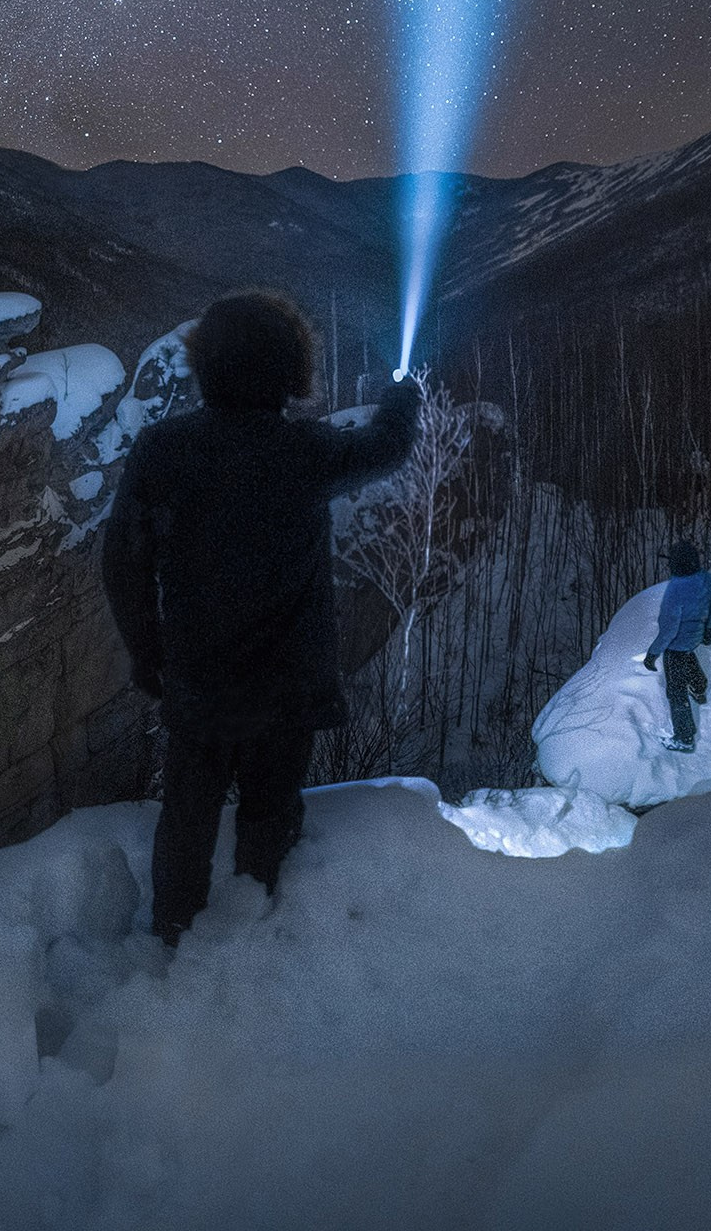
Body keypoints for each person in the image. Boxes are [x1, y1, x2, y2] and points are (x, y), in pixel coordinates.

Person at [101, 288, 422, 945]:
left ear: (207, 367)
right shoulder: (305, 450)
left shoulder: (164, 450)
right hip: (287, 687)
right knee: (269, 815)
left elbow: (123, 564)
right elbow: (385, 448)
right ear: (288, 373)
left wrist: (146, 652)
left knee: (187, 815)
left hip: (198, 680)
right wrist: (401, 399)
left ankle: (171, 935)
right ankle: (255, 931)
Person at [642, 535, 711, 750]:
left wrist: (652, 654)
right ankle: (699, 687)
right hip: (695, 637)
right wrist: (709, 629)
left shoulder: (676, 589)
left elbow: (669, 629)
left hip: (677, 644)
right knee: (687, 655)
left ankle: (684, 738)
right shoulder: (706, 579)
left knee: (676, 692)